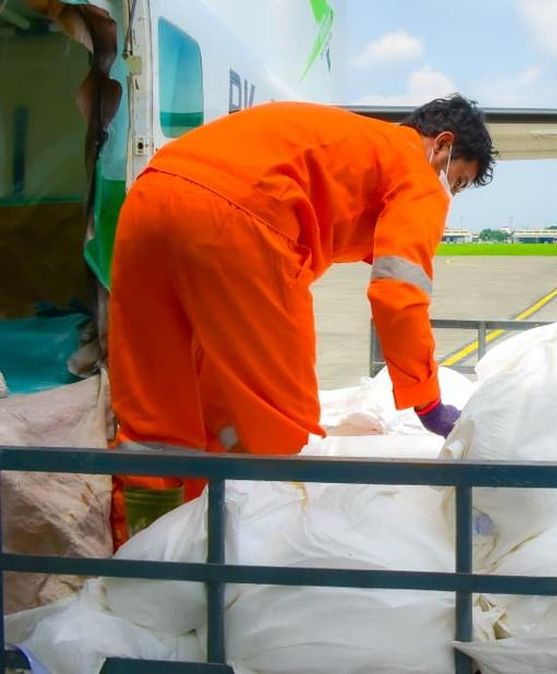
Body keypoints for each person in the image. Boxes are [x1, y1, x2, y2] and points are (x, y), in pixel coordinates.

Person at [107, 96, 495, 545]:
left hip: (150, 199)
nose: (453, 193)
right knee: (278, 427)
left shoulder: (352, 142)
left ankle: (144, 555)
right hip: (240, 222)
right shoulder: (416, 169)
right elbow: (399, 293)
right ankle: (255, 560)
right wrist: (426, 400)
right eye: (459, 181)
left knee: (161, 414)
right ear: (442, 145)